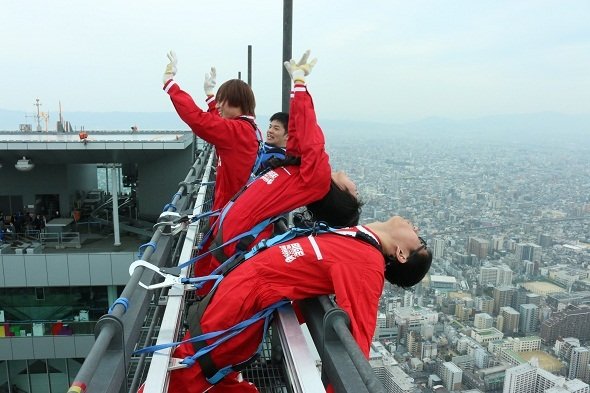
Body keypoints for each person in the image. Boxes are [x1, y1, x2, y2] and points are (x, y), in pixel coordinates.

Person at [166, 216, 433, 392]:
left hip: (242, 302)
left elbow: (356, 346)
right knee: (205, 374)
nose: (417, 229)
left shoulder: (367, 264)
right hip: (242, 292)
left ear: (400, 254)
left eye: (419, 242)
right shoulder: (357, 237)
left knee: (186, 372)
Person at [196, 50, 363, 279]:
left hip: (232, 235)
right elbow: (296, 135)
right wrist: (297, 89)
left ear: (342, 194)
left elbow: (310, 139)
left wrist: (301, 86)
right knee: (204, 286)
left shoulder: (317, 181)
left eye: (355, 189)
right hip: (230, 231)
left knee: (206, 289)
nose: (353, 181)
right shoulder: (305, 176)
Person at [163, 51, 260, 212]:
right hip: (234, 208)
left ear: (236, 101)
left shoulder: (237, 130)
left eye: (222, 100)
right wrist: (210, 96)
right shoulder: (245, 128)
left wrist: (170, 85)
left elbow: (199, 120)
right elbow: (219, 125)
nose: (219, 105)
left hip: (231, 215)